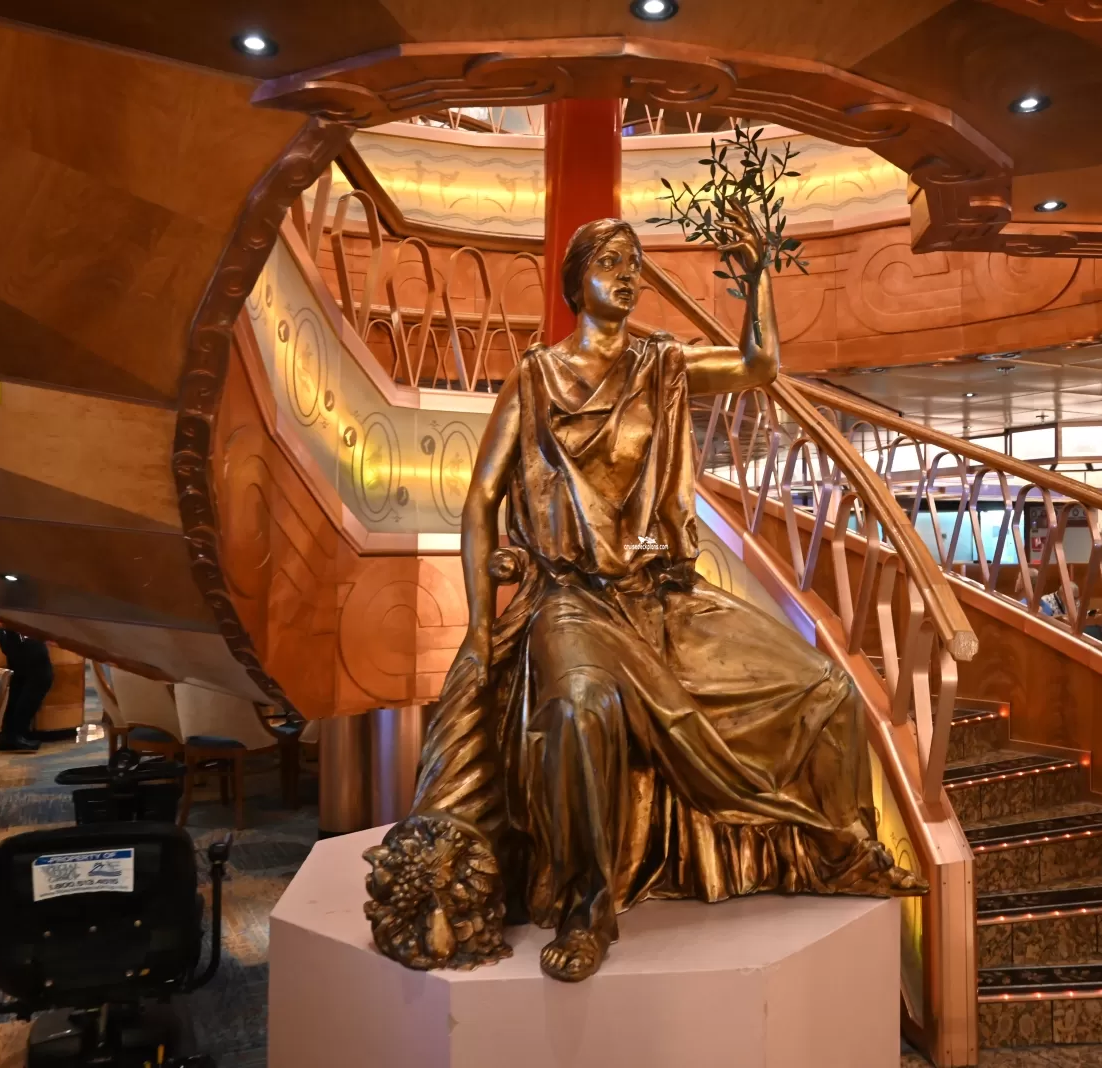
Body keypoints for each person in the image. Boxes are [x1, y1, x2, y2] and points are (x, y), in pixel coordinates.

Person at [364, 215, 923, 984]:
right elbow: (480, 501)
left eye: (634, 262)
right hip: (570, 598)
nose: (628, 274)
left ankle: (834, 850)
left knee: (823, 685)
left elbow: (759, 365)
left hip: (659, 597)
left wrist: (757, 277)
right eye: (611, 260)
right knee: (578, 709)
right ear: (576, 281)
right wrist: (478, 625)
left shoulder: (661, 365)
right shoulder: (536, 378)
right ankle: (587, 907)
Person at [0, 627, 54, 751]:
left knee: (20, 681)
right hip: (20, 630)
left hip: (12, 630)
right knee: (41, 676)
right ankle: (15, 733)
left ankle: (10, 734)